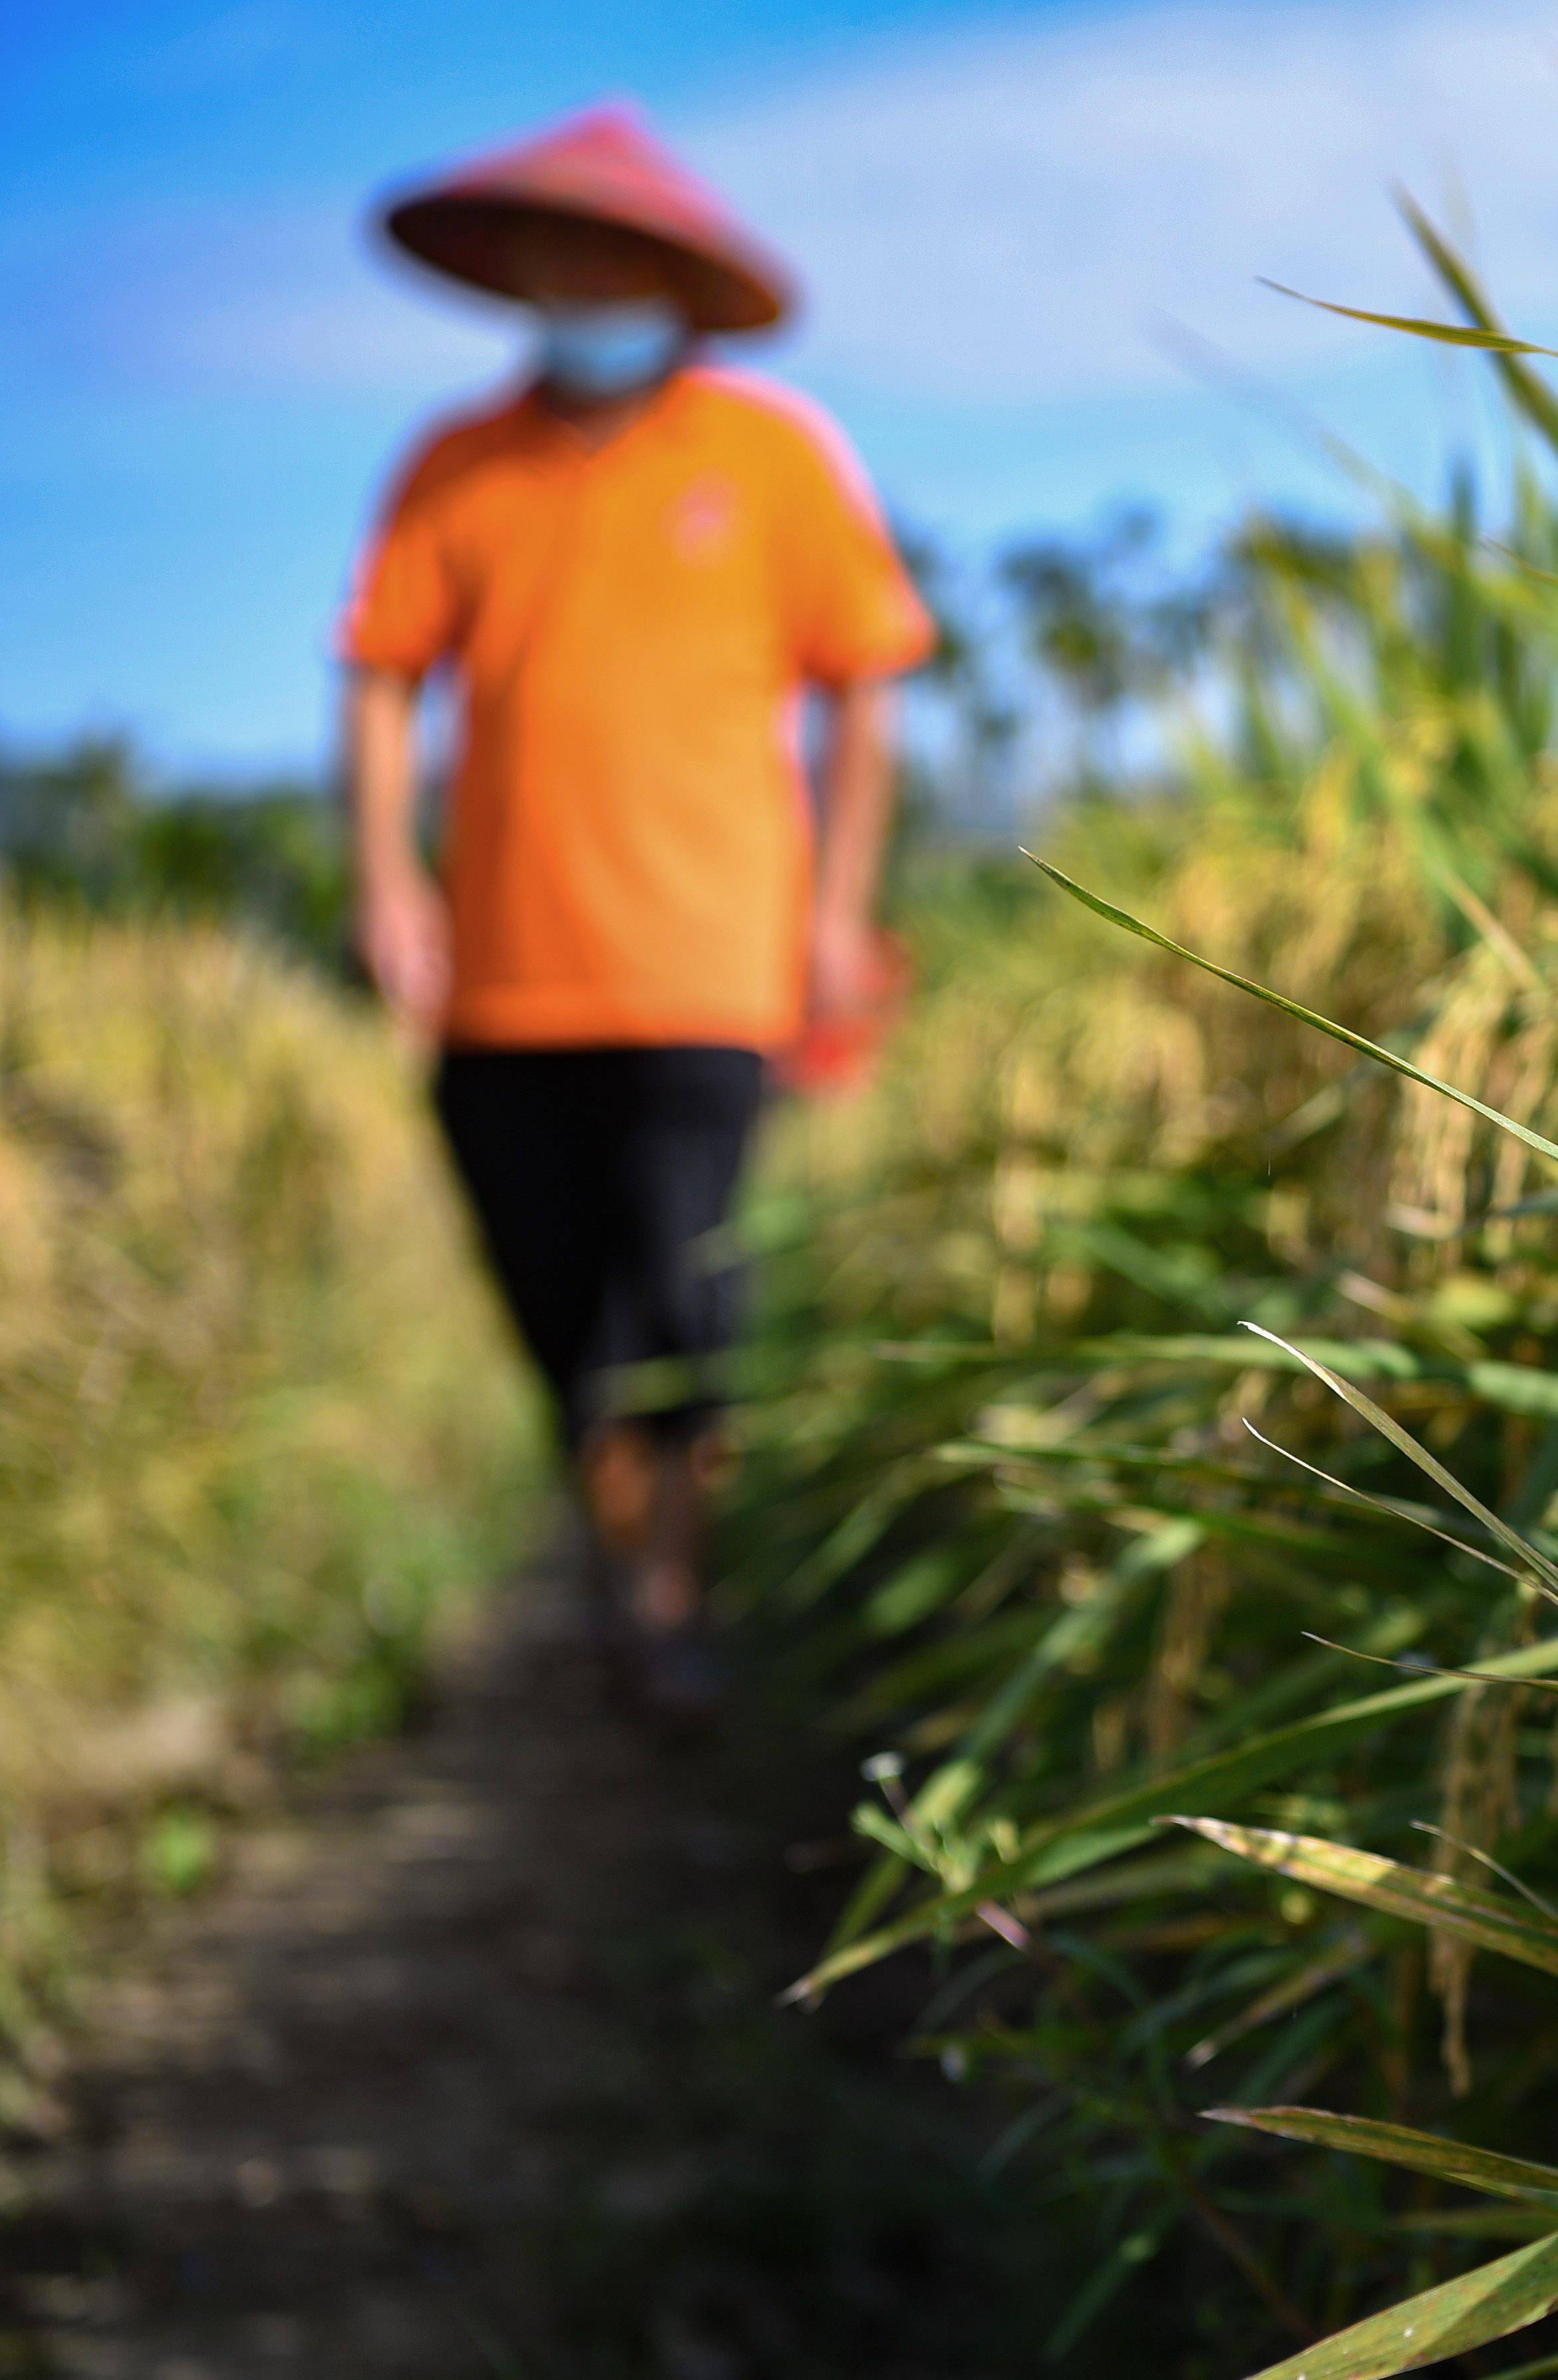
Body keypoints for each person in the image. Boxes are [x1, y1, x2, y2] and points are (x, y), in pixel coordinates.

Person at [338, 102, 930, 1716]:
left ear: (669, 278)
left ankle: (668, 1596)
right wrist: (389, 877)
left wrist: (834, 910)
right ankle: (622, 1573)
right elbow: (384, 675)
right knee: (559, 1315)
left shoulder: (769, 458)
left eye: (612, 259)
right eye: (556, 256)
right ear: (520, 271)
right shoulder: (456, 467)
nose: (578, 283)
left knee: (688, 1295)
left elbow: (867, 684)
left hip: (707, 968)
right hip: (506, 982)